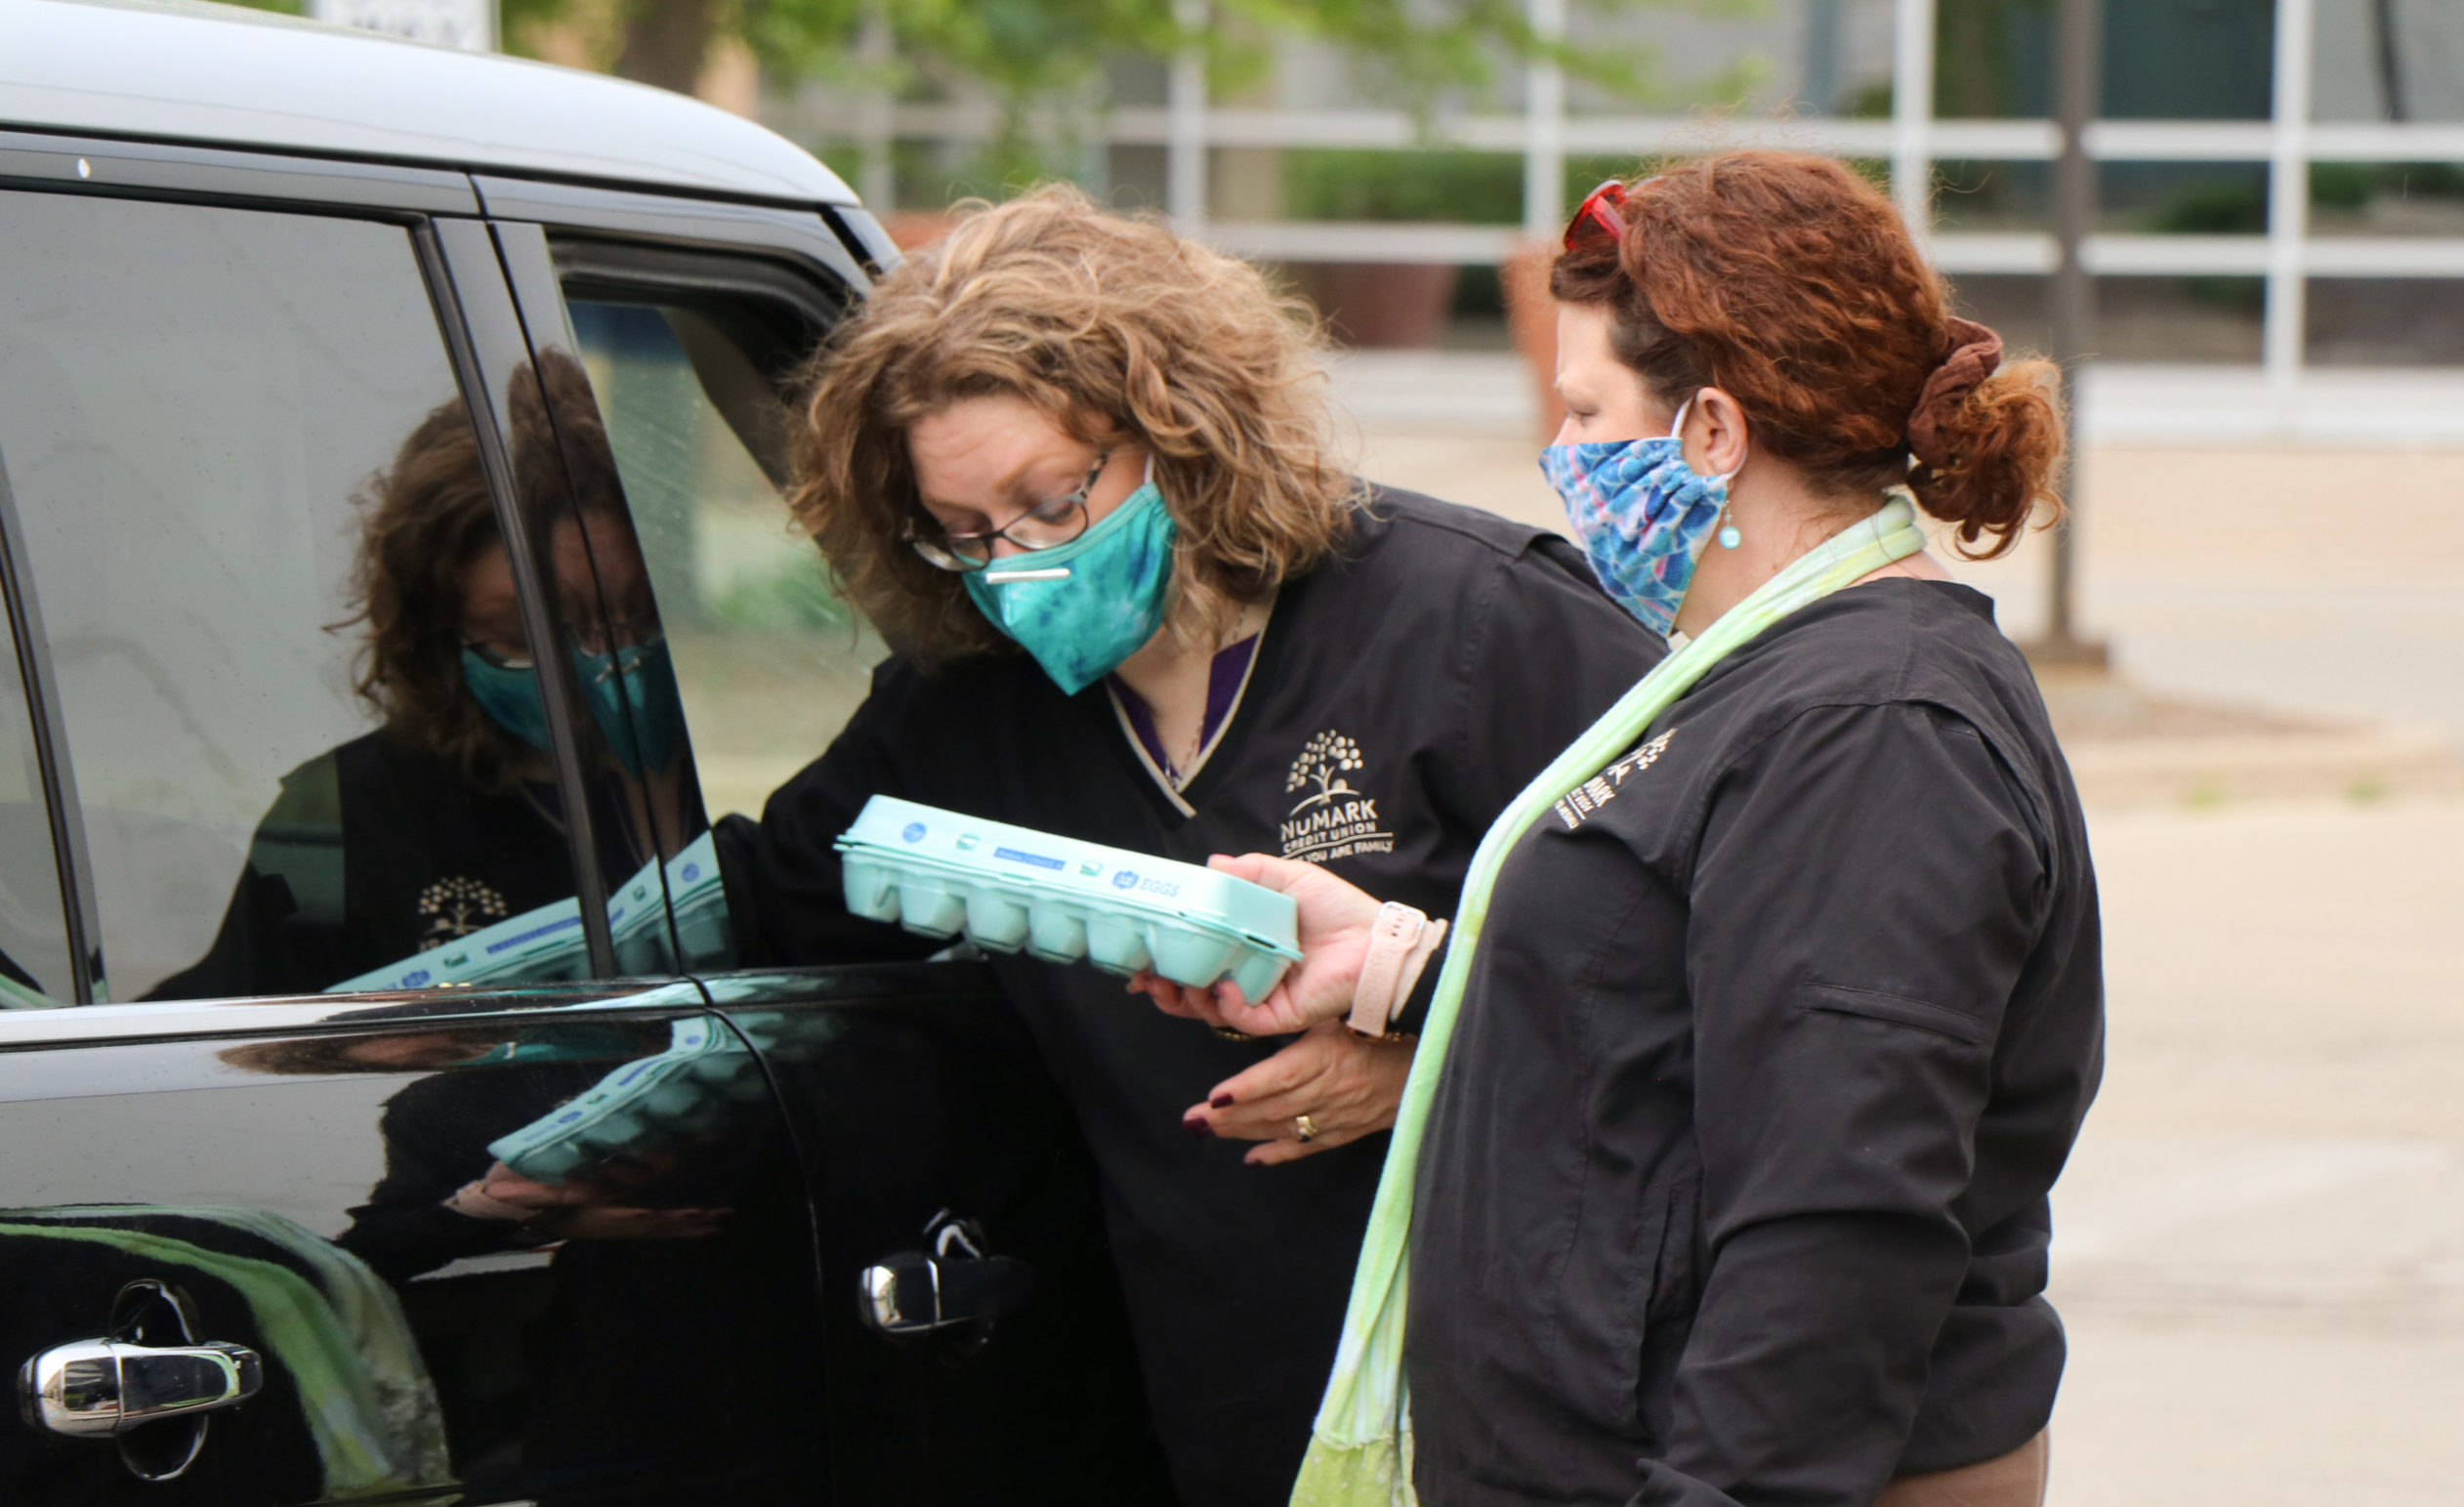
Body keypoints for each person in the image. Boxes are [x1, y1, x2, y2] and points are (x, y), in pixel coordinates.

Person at [1143, 152, 2105, 1507]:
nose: (1566, 456)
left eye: (1589, 409)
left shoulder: (1872, 726)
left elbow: (1836, 1221)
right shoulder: (1773, 675)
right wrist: (1396, 965)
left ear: (1713, 431)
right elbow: (1681, 1020)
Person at [714, 184, 1661, 1506]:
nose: (1021, 563)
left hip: (1537, 1409)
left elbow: (1719, 976)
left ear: (1180, 427)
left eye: (1053, 500)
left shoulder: (1481, 621)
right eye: (970, 534)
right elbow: (753, 901)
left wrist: (1432, 1055)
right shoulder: (963, 713)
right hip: (1230, 1413)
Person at [155, 356, 692, 998]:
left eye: (635, 614)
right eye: (527, 637)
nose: (599, 662)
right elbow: (237, 1050)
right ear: (434, 623)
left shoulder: (711, 787)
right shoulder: (336, 819)